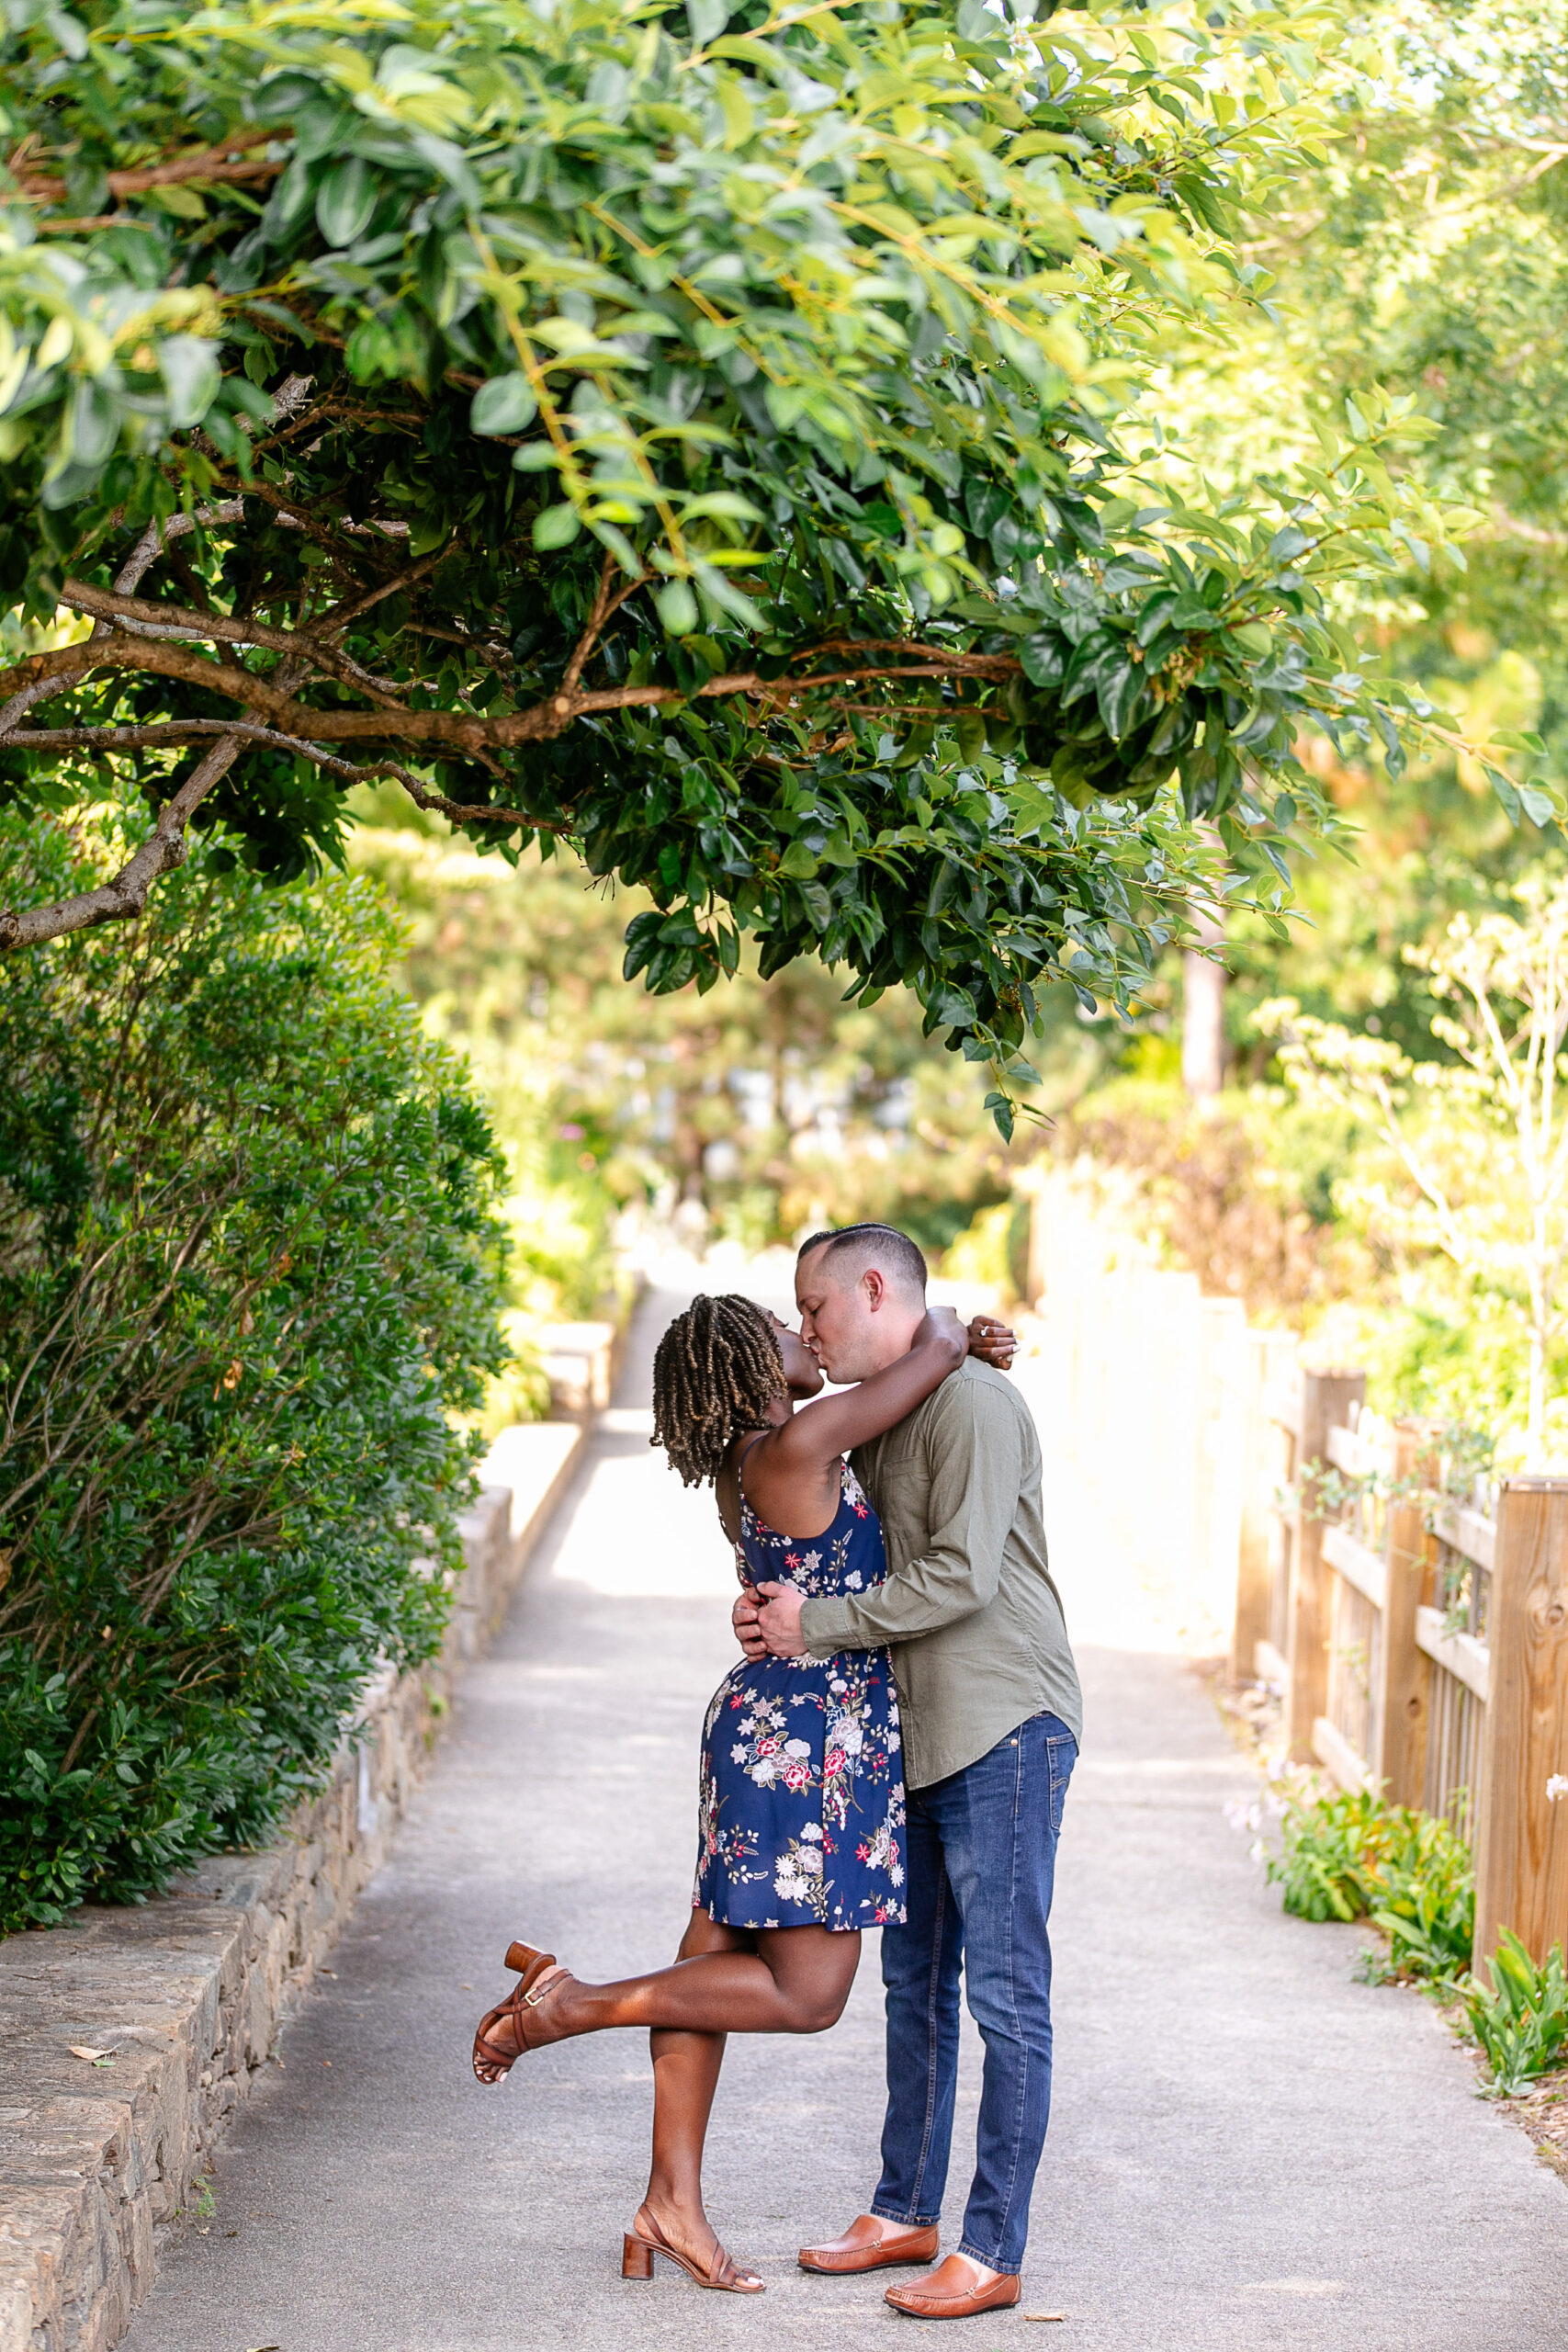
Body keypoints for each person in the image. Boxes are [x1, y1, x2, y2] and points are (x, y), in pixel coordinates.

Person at [468, 1287, 1016, 2297]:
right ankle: (572, 2003)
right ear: (750, 1364)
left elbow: (917, 1373)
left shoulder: (755, 1461)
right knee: (808, 1996)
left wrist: (956, 1347)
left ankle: (669, 2204)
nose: (804, 1332)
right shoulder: (799, 1444)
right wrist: (961, 1332)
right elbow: (925, 1347)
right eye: (784, 1320)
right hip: (806, 1740)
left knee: (709, 1963)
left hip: (772, 1724)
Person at [738, 1222, 1082, 2322]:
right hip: (917, 1732)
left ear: (873, 1287)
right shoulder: (887, 1410)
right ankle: (904, 2211)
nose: (808, 1330)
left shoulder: (976, 1403)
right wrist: (776, 1609)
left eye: (817, 1306)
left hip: (1003, 1721)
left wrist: (816, 1625)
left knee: (1005, 1995)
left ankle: (991, 2248)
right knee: (913, 1984)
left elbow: (962, 1576)